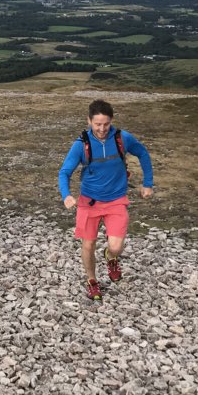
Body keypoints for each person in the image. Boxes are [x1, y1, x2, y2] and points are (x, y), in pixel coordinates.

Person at [58, 99, 153, 301]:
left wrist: (148, 183)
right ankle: (92, 280)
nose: (102, 129)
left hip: (116, 200)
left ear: (111, 121)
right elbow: (64, 172)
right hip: (89, 203)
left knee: (116, 246)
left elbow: (143, 153)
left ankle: (111, 257)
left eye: (106, 124)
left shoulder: (122, 139)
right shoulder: (80, 145)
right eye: (97, 124)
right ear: (89, 121)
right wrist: (66, 195)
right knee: (88, 245)